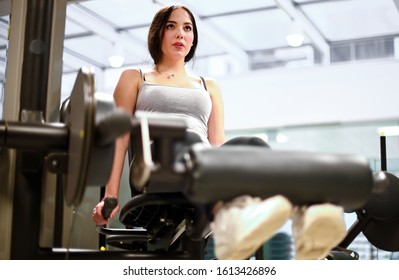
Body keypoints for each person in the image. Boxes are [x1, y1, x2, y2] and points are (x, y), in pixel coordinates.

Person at [92, 3, 346, 260]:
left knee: (254, 146)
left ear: (193, 40)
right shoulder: (135, 77)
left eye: (187, 28)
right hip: (158, 164)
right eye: (171, 26)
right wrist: (110, 195)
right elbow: (120, 138)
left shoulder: (208, 85)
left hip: (203, 163)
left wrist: (233, 163)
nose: (180, 34)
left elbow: (217, 143)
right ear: (158, 33)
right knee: (186, 139)